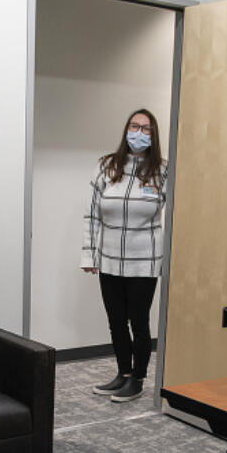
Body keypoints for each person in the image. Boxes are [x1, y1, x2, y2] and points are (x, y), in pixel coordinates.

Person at [81, 108, 167, 402]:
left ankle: (138, 378)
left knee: (139, 321)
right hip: (109, 259)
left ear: (153, 135)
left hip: (145, 260)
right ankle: (123, 373)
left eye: (146, 129)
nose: (139, 133)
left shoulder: (163, 171)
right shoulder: (106, 166)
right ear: (126, 130)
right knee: (116, 320)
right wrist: (89, 256)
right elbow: (92, 215)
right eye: (134, 126)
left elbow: (178, 216)